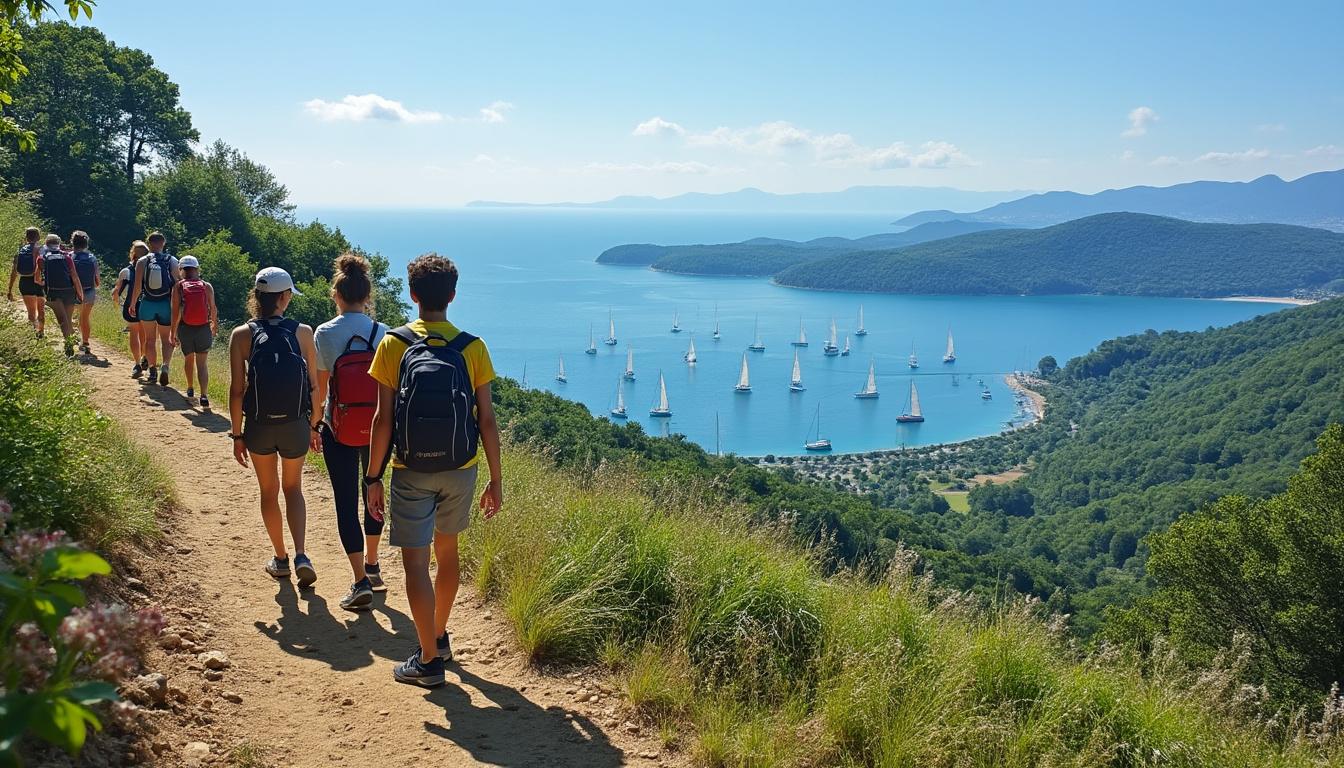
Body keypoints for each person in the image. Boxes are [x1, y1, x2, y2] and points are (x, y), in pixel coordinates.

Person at [367, 254, 502, 687]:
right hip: (461, 467)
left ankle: (427, 660)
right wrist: (496, 480)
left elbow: (383, 419)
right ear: (453, 296)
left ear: (412, 295)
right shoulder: (473, 347)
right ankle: (439, 636)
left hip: (410, 469)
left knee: (414, 565)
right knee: (448, 555)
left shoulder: (394, 344)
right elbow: (486, 420)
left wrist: (372, 477)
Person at [228, 267, 322, 588]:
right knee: (293, 489)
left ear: (256, 297)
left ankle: (280, 559)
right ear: (284, 298)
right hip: (295, 424)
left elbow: (237, 390)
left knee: (269, 491)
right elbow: (314, 388)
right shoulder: (304, 332)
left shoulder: (241, 335)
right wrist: (313, 426)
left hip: (259, 427)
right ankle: (301, 555)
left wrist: (238, 435)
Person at [313, 254, 389, 611]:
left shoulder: (325, 333)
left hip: (338, 427)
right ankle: (374, 565)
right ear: (367, 295)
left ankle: (359, 580)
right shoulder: (385, 334)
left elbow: (321, 387)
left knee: (346, 501)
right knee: (372, 490)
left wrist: (316, 424)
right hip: (377, 429)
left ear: (336, 295)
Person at [128, 232, 181, 387]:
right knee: (166, 339)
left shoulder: (143, 261)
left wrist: (132, 304)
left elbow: (137, 286)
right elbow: (177, 284)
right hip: (166, 304)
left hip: (147, 304)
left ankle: (152, 369)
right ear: (163, 243)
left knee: (150, 340)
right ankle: (165, 366)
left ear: (149, 244)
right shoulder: (172, 260)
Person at [169, 255, 219, 408]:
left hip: (186, 328)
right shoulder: (206, 286)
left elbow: (175, 312)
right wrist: (214, 325)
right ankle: (204, 395)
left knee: (189, 360)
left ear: (181, 270)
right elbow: (213, 308)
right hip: (203, 327)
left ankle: (190, 389)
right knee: (202, 364)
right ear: (197, 269)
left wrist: (173, 332)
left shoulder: (178, 286)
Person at [35, 234, 83, 357]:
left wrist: (45, 284)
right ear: (59, 243)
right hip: (69, 291)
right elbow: (75, 277)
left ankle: (68, 347)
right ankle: (71, 342)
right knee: (68, 319)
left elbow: (37, 279)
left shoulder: (42, 258)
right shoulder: (66, 257)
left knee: (62, 320)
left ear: (46, 244)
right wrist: (80, 294)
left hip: (53, 292)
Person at [111, 241, 151, 377]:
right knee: (145, 334)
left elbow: (117, 291)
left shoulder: (126, 271)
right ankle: (145, 357)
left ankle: (137, 364)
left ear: (133, 254)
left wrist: (116, 302)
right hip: (148, 304)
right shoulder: (151, 269)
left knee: (134, 333)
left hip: (130, 305)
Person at [7, 227, 45, 336]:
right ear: (38, 237)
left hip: (25, 282)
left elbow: (14, 272)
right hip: (39, 282)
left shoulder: (20, 251)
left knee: (31, 313)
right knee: (41, 311)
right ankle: (41, 334)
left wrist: (10, 289)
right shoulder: (41, 250)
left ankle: (32, 335)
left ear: (26, 237)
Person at [69, 231, 100, 357]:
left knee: (70, 317)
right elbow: (97, 281)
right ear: (86, 243)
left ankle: (69, 342)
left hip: (71, 292)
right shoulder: (92, 258)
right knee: (85, 318)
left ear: (72, 242)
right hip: (89, 292)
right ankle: (86, 343)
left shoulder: (69, 256)